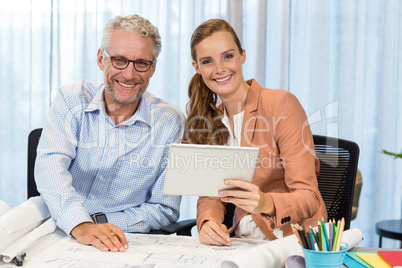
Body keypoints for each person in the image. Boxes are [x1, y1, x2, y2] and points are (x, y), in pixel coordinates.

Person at [35, 14, 185, 252]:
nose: (128, 74)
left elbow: (163, 207)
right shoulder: (71, 100)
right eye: (119, 60)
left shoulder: (169, 122)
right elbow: (49, 168)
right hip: (58, 232)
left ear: (152, 68)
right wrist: (78, 223)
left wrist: (98, 225)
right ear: (100, 59)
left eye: (141, 63)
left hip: (123, 242)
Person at [184, 19, 328, 246]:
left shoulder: (280, 104)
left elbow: (309, 197)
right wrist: (208, 222)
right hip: (241, 242)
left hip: (291, 240)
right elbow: (212, 194)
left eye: (228, 56)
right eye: (207, 61)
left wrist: (265, 202)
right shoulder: (211, 119)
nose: (220, 69)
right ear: (197, 67)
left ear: (242, 55)